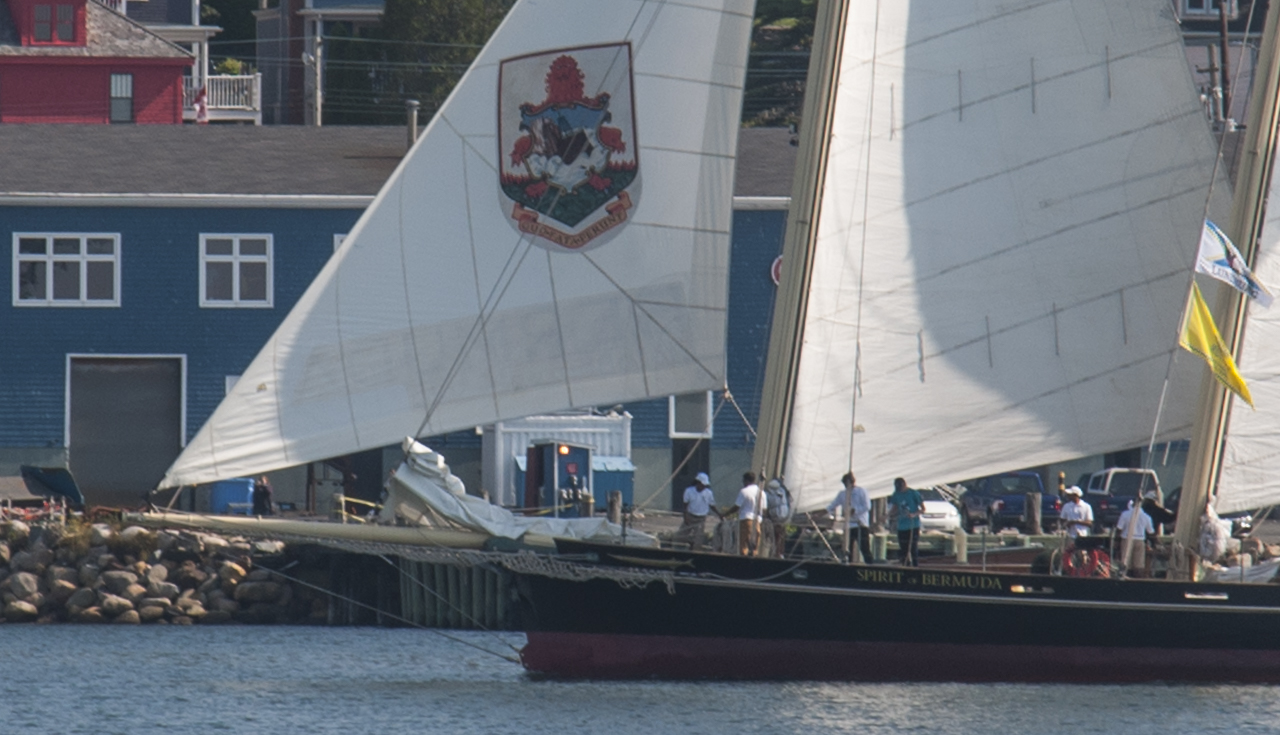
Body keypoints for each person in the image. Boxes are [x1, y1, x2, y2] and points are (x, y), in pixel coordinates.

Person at [825, 472, 872, 564]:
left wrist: (855, 511)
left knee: (864, 548)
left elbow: (867, 506)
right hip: (848, 525)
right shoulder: (842, 494)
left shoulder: (862, 491)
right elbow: (833, 504)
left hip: (860, 524)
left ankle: (870, 565)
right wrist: (822, 512)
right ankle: (848, 564)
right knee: (847, 548)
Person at [678, 472, 721, 550]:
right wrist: (685, 516)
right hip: (691, 516)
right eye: (702, 484)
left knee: (698, 541)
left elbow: (712, 505)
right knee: (680, 536)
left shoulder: (708, 493)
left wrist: (719, 514)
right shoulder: (689, 491)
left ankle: (695, 551)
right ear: (698, 482)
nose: (703, 486)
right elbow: (685, 505)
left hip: (701, 518)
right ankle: (689, 542)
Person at [886, 477, 923, 567]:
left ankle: (915, 566)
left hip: (912, 525)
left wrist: (914, 514)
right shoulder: (896, 494)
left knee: (913, 547)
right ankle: (906, 565)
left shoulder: (913, 493)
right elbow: (895, 508)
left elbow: (923, 509)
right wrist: (887, 515)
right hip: (901, 525)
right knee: (903, 548)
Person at [730, 472, 766, 557]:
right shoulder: (762, 493)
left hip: (746, 520)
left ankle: (743, 562)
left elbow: (736, 507)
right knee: (754, 547)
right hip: (757, 521)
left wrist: (725, 514)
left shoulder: (744, 491)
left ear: (746, 481)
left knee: (743, 546)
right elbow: (764, 510)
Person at [1116, 501, 1156, 578]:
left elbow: (1119, 529)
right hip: (1140, 540)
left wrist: (1117, 542)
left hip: (1126, 539)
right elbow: (1151, 532)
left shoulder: (1125, 514)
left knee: (1125, 564)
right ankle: (1138, 582)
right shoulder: (1146, 517)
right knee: (1139, 566)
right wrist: (1156, 542)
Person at [763, 479, 792, 558]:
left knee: (777, 536)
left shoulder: (767, 494)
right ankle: (779, 553)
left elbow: (765, 506)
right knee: (780, 536)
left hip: (776, 518)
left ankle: (777, 553)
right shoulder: (782, 491)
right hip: (783, 517)